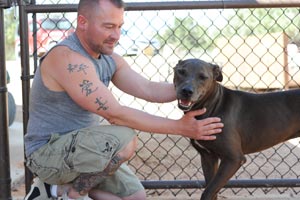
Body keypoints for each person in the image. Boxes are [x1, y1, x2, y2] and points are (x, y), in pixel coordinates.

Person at [24, 0, 223, 199]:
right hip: (47, 154)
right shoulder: (68, 58)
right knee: (125, 139)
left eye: (119, 27)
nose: (116, 35)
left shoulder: (110, 59)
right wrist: (180, 127)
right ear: (83, 22)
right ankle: (70, 192)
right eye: (108, 27)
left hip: (84, 153)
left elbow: (149, 89)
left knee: (135, 196)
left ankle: (55, 191)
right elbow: (115, 114)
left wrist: (196, 87)